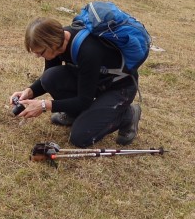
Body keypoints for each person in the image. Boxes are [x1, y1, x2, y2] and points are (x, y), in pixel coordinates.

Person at [10, 16, 141, 148]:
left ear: (52, 43)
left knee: (80, 137)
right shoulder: (58, 43)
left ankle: (127, 115)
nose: (38, 56)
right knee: (49, 78)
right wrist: (30, 91)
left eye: (40, 52)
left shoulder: (88, 50)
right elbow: (48, 76)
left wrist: (44, 105)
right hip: (96, 81)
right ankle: (75, 115)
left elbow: (84, 100)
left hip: (119, 88)